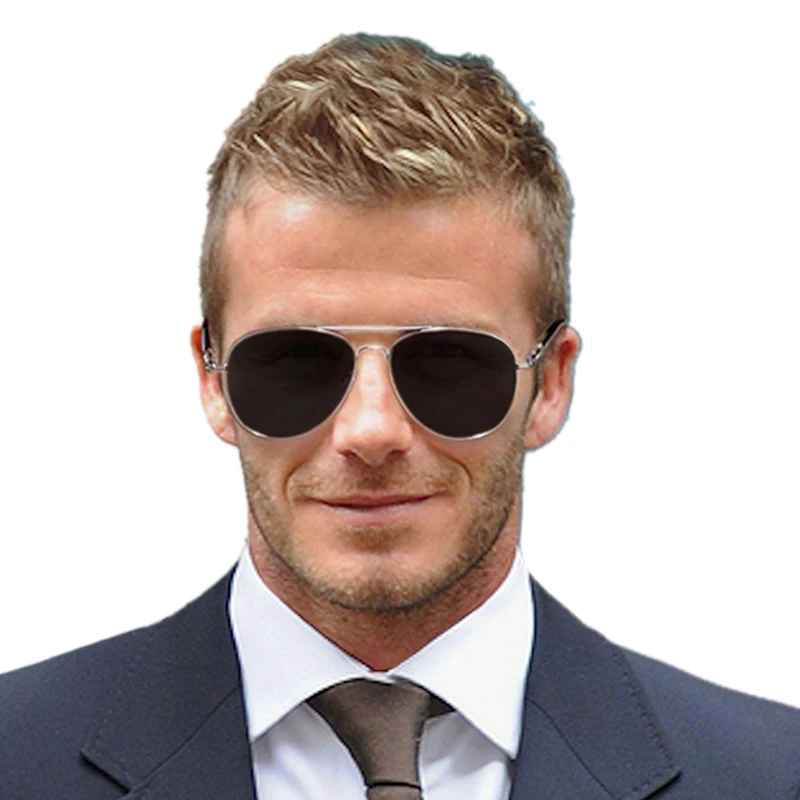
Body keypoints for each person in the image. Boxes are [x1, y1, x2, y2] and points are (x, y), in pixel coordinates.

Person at [1, 32, 797, 800]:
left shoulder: (771, 778)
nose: (371, 430)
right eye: (297, 362)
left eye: (447, 362)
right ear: (213, 381)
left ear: (552, 383)